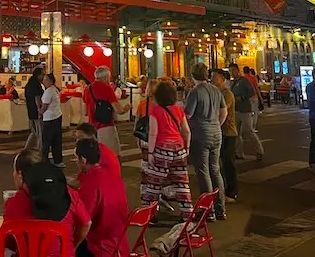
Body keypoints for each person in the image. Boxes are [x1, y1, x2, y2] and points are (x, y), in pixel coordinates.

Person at [4, 149, 91, 257]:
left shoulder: (13, 203)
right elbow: (86, 224)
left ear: (20, 175)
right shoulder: (68, 194)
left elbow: (8, 241)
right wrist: (71, 247)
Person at [141, 78, 194, 221]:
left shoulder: (155, 110)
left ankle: (150, 214)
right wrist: (187, 147)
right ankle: (187, 213)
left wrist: (151, 152)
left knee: (154, 183)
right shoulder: (178, 109)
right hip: (179, 149)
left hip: (161, 149)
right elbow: (187, 131)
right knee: (181, 182)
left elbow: (153, 133)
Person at [183, 62, 227, 220]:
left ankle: (208, 211)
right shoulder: (215, 90)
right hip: (216, 133)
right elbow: (224, 111)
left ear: (193, 75)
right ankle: (220, 208)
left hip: (201, 134)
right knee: (215, 171)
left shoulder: (195, 92)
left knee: (203, 172)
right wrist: (216, 124)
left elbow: (187, 115)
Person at [75, 138, 129, 257]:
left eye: (76, 159)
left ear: (83, 160)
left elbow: (83, 220)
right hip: (120, 243)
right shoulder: (114, 176)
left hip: (101, 246)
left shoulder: (91, 183)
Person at [83, 66, 128, 156]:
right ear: (106, 77)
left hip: (92, 127)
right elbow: (119, 110)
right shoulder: (107, 89)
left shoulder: (87, 89)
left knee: (96, 156)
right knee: (112, 154)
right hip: (105, 126)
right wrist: (127, 108)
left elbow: (85, 112)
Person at [211, 69, 238, 202]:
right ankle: (220, 191)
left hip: (228, 132)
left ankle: (232, 192)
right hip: (218, 131)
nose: (212, 80)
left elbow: (223, 110)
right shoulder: (215, 93)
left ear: (222, 79)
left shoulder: (227, 94)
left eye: (215, 77)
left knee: (228, 162)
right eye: (211, 77)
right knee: (218, 163)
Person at [229, 63, 264, 161]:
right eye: (230, 71)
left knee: (248, 131)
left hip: (245, 110)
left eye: (233, 70)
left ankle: (259, 150)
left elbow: (251, 92)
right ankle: (238, 152)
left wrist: (241, 98)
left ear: (237, 70)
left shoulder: (244, 81)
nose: (231, 73)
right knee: (236, 133)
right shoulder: (233, 83)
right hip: (236, 110)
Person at [40, 73, 64, 167]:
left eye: (45, 80)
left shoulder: (49, 91)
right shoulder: (55, 90)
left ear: (50, 81)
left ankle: (44, 161)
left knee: (46, 141)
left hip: (49, 118)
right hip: (57, 116)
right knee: (57, 140)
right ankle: (58, 160)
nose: (44, 81)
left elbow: (45, 105)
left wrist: (40, 113)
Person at [24, 66, 44, 152]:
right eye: (42, 74)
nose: (43, 77)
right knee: (40, 133)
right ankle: (40, 150)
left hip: (30, 110)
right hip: (36, 111)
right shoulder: (36, 85)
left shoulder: (28, 84)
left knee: (34, 132)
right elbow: (37, 97)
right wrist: (40, 109)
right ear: (38, 75)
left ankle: (26, 149)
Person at [243, 66, 263, 132]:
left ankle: (248, 126)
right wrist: (260, 97)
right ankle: (253, 127)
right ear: (249, 71)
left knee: (248, 113)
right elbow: (256, 88)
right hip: (254, 97)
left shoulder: (242, 79)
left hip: (246, 98)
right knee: (254, 112)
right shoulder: (253, 78)